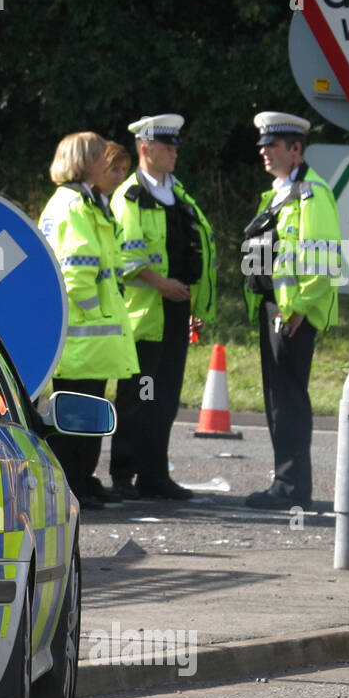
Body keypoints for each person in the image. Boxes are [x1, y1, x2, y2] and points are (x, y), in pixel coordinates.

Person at [109, 115, 217, 501]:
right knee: (140, 396)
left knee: (165, 398)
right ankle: (124, 474)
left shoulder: (179, 194)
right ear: (145, 148)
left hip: (175, 314)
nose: (175, 151)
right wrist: (161, 284)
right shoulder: (129, 197)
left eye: (175, 145)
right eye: (167, 145)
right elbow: (123, 259)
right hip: (144, 318)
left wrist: (194, 301)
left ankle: (155, 475)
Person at [241, 111, 340, 509]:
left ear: (296, 149)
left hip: (292, 313)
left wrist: (297, 308)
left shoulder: (312, 194)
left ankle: (290, 488)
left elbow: (326, 260)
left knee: (288, 399)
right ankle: (287, 481)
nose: (265, 151)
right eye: (263, 145)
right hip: (277, 309)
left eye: (273, 144)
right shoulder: (281, 191)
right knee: (278, 397)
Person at [38, 132, 140, 509]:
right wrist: (98, 312)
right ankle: (73, 484)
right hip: (85, 335)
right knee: (79, 415)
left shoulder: (78, 202)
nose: (105, 164)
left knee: (84, 411)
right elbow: (77, 271)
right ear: (84, 162)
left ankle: (82, 479)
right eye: (99, 158)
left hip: (85, 336)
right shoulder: (77, 205)